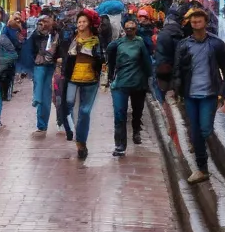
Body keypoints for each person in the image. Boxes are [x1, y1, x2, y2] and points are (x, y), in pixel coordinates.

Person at [173, 6, 225, 183]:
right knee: (195, 132)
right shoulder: (184, 45)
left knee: (205, 129)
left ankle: (204, 158)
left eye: (199, 20)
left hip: (209, 94)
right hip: (190, 95)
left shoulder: (216, 44)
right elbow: (177, 69)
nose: (196, 23)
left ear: (205, 23)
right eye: (193, 21)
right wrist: (177, 89)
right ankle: (202, 168)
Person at [62, 9, 104, 160]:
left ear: (90, 24)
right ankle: (73, 130)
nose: (81, 24)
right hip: (72, 78)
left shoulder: (96, 41)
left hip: (90, 79)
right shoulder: (72, 39)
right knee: (68, 103)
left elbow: (101, 60)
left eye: (84, 21)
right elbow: (63, 52)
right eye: (79, 21)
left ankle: (81, 142)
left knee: (84, 112)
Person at [106, 18, 153, 156]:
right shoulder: (119, 43)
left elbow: (147, 63)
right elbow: (110, 55)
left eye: (132, 28)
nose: (129, 31)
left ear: (136, 29)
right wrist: (110, 76)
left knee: (137, 111)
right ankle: (120, 145)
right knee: (119, 114)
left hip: (138, 82)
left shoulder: (140, 43)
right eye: (127, 28)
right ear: (124, 29)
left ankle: (136, 130)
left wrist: (149, 81)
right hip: (120, 83)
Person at [24, 15, 59, 133]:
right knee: (39, 88)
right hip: (39, 64)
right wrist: (39, 31)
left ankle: (43, 124)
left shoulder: (56, 33)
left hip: (52, 66)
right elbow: (30, 46)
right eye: (42, 21)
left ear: (52, 21)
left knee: (47, 96)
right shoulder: (37, 33)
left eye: (47, 20)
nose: (44, 23)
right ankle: (37, 101)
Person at [1, 12, 25, 100]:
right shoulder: (7, 29)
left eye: (18, 19)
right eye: (16, 19)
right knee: (7, 73)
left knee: (9, 73)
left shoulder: (18, 29)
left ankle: (7, 93)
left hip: (12, 53)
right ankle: (6, 92)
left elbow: (21, 41)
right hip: (8, 53)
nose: (17, 21)